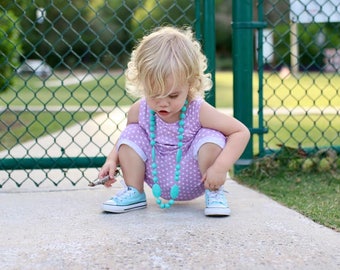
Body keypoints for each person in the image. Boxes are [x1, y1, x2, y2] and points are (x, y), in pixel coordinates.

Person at [98, 26, 250, 216]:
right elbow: (126, 140)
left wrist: (220, 168)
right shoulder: (140, 109)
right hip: (158, 175)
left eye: (173, 95)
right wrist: (112, 159)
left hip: (197, 176)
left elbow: (241, 132)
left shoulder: (198, 110)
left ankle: (215, 193)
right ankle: (134, 192)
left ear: (191, 83)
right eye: (154, 95)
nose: (163, 103)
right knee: (131, 132)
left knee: (211, 135)